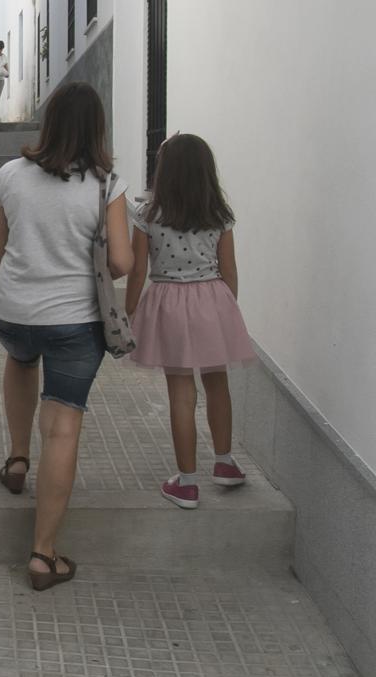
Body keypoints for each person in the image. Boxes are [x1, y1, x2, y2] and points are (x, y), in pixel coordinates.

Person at [0, 82, 133, 591]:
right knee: (63, 427)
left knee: (21, 359)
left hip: (11, 312)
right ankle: (43, 555)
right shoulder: (107, 185)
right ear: (97, 129)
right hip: (74, 322)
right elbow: (120, 262)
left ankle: (17, 459)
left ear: (49, 123)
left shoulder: (9, 175)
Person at [124, 134, 256, 509]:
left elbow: (137, 271)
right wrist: (225, 310)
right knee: (218, 384)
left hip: (168, 304)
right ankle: (225, 463)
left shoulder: (147, 215)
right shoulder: (219, 215)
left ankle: (186, 483)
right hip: (212, 302)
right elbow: (230, 271)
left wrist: (129, 312)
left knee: (181, 394)